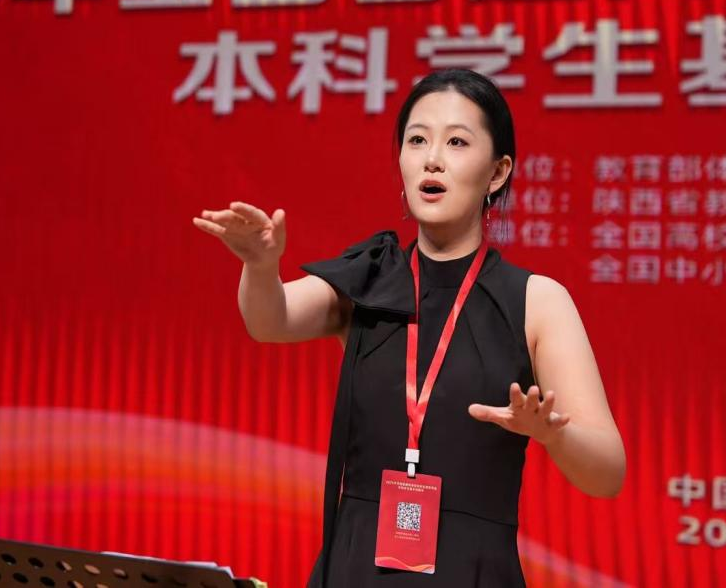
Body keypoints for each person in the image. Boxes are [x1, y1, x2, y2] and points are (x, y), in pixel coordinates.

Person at [193, 69, 626, 586]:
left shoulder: (536, 301)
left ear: (497, 172)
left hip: (471, 572)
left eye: (457, 142)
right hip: (356, 567)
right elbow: (271, 320)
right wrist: (261, 266)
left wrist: (554, 434)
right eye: (417, 140)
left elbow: (608, 473)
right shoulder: (370, 279)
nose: (432, 158)